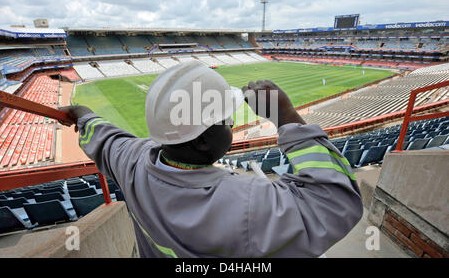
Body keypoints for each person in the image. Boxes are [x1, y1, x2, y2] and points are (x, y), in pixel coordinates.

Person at [60, 61, 363, 258]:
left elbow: (102, 137)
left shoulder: (129, 161)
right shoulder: (249, 202)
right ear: (204, 141)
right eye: (226, 119)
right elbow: (336, 203)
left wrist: (83, 114)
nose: (231, 123)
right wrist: (287, 118)